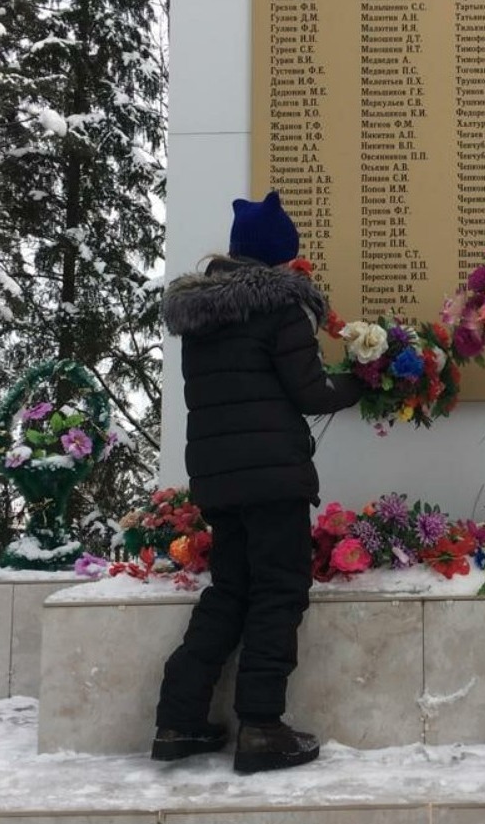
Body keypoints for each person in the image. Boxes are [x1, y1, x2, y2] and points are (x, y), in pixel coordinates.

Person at [152, 190, 362, 773]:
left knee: (231, 591)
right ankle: (262, 727)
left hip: (218, 481)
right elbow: (311, 393)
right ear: (278, 256)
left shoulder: (203, 317)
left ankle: (179, 719)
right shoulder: (278, 308)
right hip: (273, 478)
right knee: (279, 592)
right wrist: (365, 381)